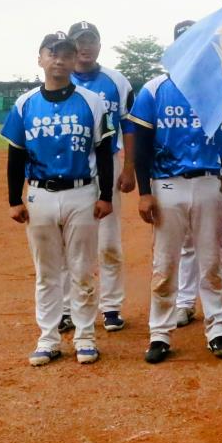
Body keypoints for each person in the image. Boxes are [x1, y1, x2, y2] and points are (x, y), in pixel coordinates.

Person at [129, 21, 222, 364]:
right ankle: (160, 334)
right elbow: (142, 145)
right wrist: (144, 191)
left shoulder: (218, 88)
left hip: (207, 181)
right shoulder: (154, 88)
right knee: (165, 263)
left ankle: (217, 329)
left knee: (211, 260)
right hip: (167, 185)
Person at [0, 32, 114, 366]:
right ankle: (48, 337)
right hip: (40, 195)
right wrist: (14, 199)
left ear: (72, 58)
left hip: (81, 192)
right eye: (52, 53)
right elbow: (15, 154)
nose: (59, 59)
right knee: (47, 272)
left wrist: (105, 195)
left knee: (81, 269)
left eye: (65, 53)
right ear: (40, 59)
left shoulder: (92, 101)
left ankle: (85, 336)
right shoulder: (25, 103)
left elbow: (104, 151)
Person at [66, 21, 136, 332]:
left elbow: (130, 126)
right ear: (70, 46)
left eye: (91, 40)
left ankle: (110, 307)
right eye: (80, 41)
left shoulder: (116, 81)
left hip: (109, 165)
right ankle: (69, 308)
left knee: (108, 242)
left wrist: (130, 167)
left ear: (99, 44)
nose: (86, 46)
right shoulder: (60, 78)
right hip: (71, 169)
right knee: (71, 243)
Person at [173, 20, 222, 329]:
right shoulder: (170, 88)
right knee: (187, 244)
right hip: (182, 178)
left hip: (219, 177)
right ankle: (185, 303)